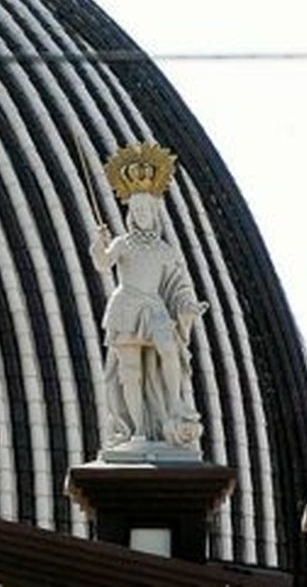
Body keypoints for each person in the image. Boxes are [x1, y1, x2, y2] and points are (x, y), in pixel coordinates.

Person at [91, 143, 207, 454]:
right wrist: (97, 245)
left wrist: (188, 306)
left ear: (155, 213)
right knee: (130, 370)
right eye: (136, 210)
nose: (141, 214)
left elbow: (179, 285)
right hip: (126, 307)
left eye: (146, 210)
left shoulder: (164, 250)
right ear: (130, 214)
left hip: (153, 308)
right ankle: (138, 430)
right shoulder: (124, 244)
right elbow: (103, 263)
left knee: (168, 348)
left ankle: (174, 401)